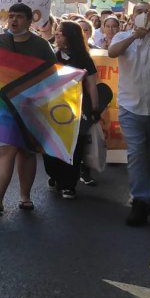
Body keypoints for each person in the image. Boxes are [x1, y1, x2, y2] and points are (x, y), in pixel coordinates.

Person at [0, 2, 55, 215]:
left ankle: (25, 197)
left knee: (26, 151)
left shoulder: (41, 45)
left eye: (19, 16)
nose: (13, 20)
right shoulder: (1, 40)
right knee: (5, 149)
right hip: (2, 103)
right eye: (11, 16)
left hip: (30, 105)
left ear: (29, 21)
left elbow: (52, 76)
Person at [108, 0, 150, 226]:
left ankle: (149, 194)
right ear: (131, 16)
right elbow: (112, 52)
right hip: (130, 106)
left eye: (147, 12)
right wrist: (134, 36)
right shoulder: (122, 37)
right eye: (139, 11)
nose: (143, 14)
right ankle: (140, 200)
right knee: (136, 153)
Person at [45, 20, 100, 199]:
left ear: (70, 37)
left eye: (60, 33)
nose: (57, 36)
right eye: (57, 33)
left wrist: (95, 108)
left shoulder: (84, 59)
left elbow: (92, 85)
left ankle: (68, 184)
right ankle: (55, 175)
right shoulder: (53, 56)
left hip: (78, 109)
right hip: (55, 109)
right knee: (52, 147)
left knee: (74, 148)